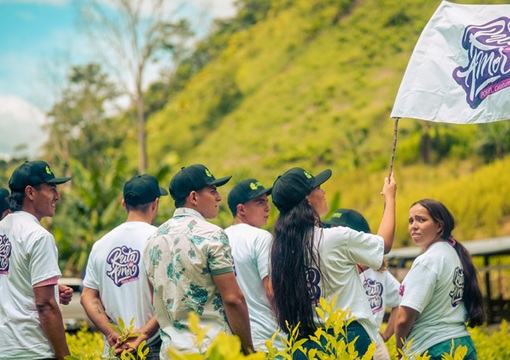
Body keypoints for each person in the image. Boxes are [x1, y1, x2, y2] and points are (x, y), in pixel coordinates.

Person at [270, 167, 396, 359]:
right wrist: (390, 198)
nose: (324, 192)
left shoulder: (279, 251)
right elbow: (384, 244)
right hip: (349, 339)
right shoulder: (336, 238)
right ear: (307, 199)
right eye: (319, 188)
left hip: (306, 345)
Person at [143, 164, 254, 358]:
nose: (219, 197)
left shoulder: (152, 240)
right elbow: (233, 299)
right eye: (212, 191)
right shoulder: (212, 235)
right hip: (212, 350)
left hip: (171, 353)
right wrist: (249, 351)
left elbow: (156, 299)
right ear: (193, 197)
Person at [81, 174, 168, 359]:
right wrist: (143, 333)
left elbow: (88, 296)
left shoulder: (101, 244)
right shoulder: (161, 239)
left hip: (115, 349)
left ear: (123, 204)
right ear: (155, 203)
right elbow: (170, 298)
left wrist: (112, 334)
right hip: (153, 347)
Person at [395, 199, 486, 360]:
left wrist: (399, 349)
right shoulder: (453, 255)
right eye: (411, 220)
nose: (413, 226)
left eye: (421, 220)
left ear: (439, 226)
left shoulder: (428, 260)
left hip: (433, 348)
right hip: (462, 345)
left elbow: (403, 318)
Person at [0, 160, 71, 359]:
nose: (57, 196)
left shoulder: (3, 228)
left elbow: (10, 282)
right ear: (30, 193)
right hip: (31, 349)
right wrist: (65, 356)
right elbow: (45, 305)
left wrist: (53, 288)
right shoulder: (38, 237)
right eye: (51, 189)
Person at [324, 208, 401, 360]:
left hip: (373, 341)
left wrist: (385, 335)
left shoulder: (379, 271)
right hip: (345, 339)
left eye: (338, 232)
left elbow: (400, 299)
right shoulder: (334, 267)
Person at [225, 178, 285, 352]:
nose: (267, 208)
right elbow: (271, 290)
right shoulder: (261, 237)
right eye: (259, 203)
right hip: (269, 339)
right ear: (241, 209)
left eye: (266, 202)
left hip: (234, 340)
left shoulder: (219, 237)